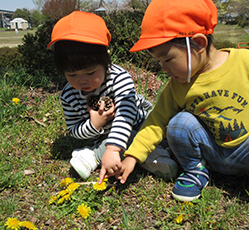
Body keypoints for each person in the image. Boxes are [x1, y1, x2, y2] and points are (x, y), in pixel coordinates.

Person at [107, 0, 249, 211]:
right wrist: (133, 156)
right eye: (159, 63)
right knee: (179, 123)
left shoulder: (247, 63)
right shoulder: (178, 85)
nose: (163, 68)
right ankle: (195, 169)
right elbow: (156, 121)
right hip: (212, 152)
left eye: (167, 59)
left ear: (199, 44)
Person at [48, 11, 179, 181]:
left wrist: (113, 148)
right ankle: (146, 158)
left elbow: (126, 114)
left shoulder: (118, 77)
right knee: (112, 141)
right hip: (104, 136)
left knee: (154, 135)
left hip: (139, 125)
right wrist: (94, 124)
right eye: (71, 74)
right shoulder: (68, 95)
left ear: (106, 59)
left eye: (90, 72)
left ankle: (99, 154)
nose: (82, 80)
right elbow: (73, 130)